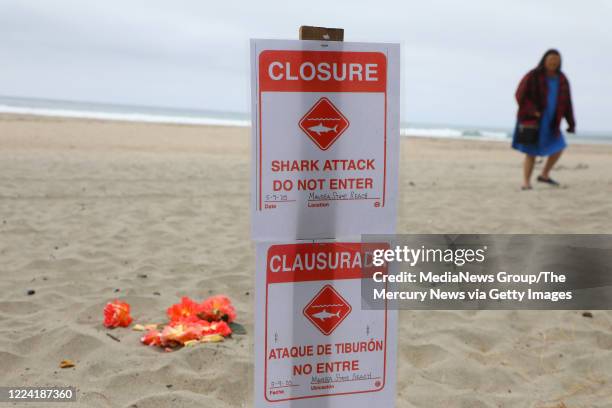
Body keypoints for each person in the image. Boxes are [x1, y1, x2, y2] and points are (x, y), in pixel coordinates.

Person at [512, 49, 576, 190]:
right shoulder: (533, 75)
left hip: (552, 121)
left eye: (556, 60)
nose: (553, 62)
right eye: (551, 59)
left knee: (559, 146)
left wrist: (571, 123)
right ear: (544, 60)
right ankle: (526, 182)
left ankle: (544, 174)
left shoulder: (562, 79)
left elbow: (567, 103)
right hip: (533, 121)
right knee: (531, 151)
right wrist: (533, 111)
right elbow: (519, 95)